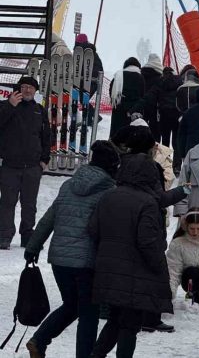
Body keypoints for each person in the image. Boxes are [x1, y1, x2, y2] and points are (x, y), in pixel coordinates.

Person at [23, 141, 119, 358]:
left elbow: (50, 217)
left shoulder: (68, 185)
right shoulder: (109, 192)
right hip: (86, 262)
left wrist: (33, 246)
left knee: (73, 304)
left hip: (59, 260)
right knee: (88, 313)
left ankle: (39, 341)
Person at [89, 154, 172, 358]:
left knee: (116, 319)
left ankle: (96, 355)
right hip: (135, 273)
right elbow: (148, 242)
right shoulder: (148, 202)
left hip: (108, 270)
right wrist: (159, 267)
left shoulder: (108, 196)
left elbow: (93, 229)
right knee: (129, 325)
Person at [0, 76, 50, 249]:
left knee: (29, 205)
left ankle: (27, 236)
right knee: (7, 203)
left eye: (31, 87)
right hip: (9, 166)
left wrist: (44, 159)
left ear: (36, 91)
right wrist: (9, 105)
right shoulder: (7, 106)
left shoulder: (39, 110)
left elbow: (46, 136)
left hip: (32, 167)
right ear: (19, 89)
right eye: (24, 87)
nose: (27, 90)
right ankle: (4, 236)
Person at [167, 208, 199, 308]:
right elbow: (173, 269)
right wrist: (169, 292)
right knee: (192, 272)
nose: (195, 232)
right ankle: (194, 296)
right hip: (190, 279)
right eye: (192, 228)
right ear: (186, 226)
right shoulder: (178, 243)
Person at [109, 57, 146, 137]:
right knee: (129, 137)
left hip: (118, 109)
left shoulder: (118, 75)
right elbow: (142, 96)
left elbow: (111, 91)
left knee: (116, 135)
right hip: (132, 112)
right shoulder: (140, 78)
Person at [140, 53, 164, 140]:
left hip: (142, 105)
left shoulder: (141, 73)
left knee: (142, 128)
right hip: (156, 107)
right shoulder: (161, 75)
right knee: (155, 131)